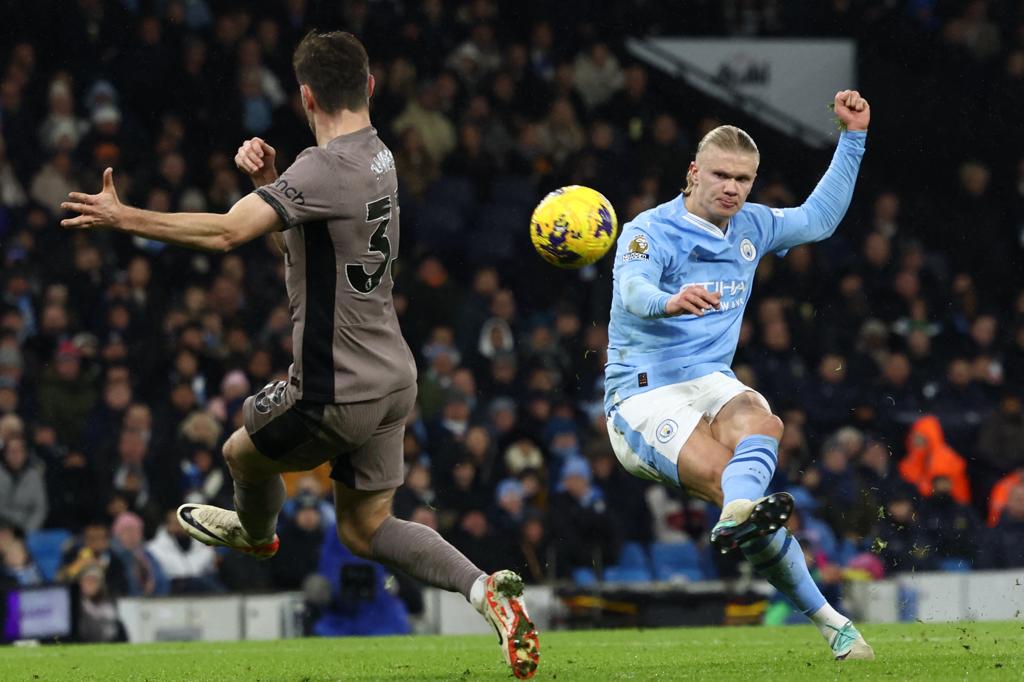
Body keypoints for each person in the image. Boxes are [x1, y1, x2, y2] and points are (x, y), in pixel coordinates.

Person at [60, 30, 538, 679]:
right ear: (368, 86)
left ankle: (256, 536)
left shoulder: (322, 169)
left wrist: (125, 218)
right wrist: (273, 186)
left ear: (306, 94)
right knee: (367, 529)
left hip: (333, 386)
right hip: (393, 375)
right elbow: (315, 248)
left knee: (237, 454)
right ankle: (487, 592)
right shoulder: (380, 158)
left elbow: (228, 231)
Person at [604, 91, 873, 660]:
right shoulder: (647, 231)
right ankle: (825, 615)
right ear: (693, 173)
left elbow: (819, 219)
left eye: (744, 179)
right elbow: (631, 292)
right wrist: (668, 301)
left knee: (763, 423)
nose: (733, 188)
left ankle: (743, 521)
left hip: (711, 379)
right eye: (722, 175)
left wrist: (853, 138)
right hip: (642, 398)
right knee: (732, 478)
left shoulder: (751, 224)